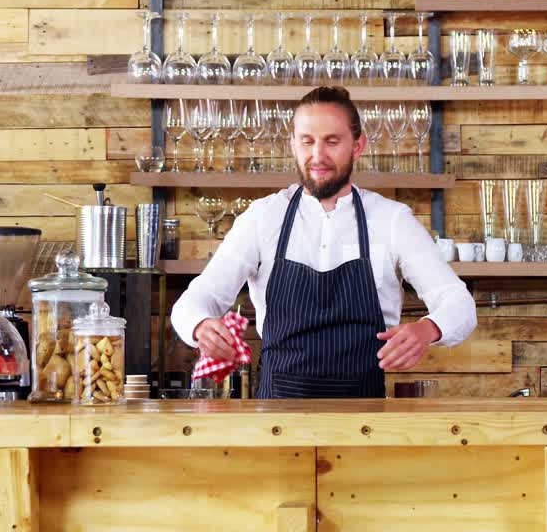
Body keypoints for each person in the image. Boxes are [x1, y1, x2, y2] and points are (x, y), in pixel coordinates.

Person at [171, 86, 476, 398]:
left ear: (357, 146)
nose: (318, 155)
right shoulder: (263, 217)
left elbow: (458, 303)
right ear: (293, 144)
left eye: (332, 141)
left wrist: (428, 329)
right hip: (277, 414)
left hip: (364, 415)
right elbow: (195, 301)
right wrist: (200, 326)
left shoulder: (392, 220)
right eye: (307, 141)